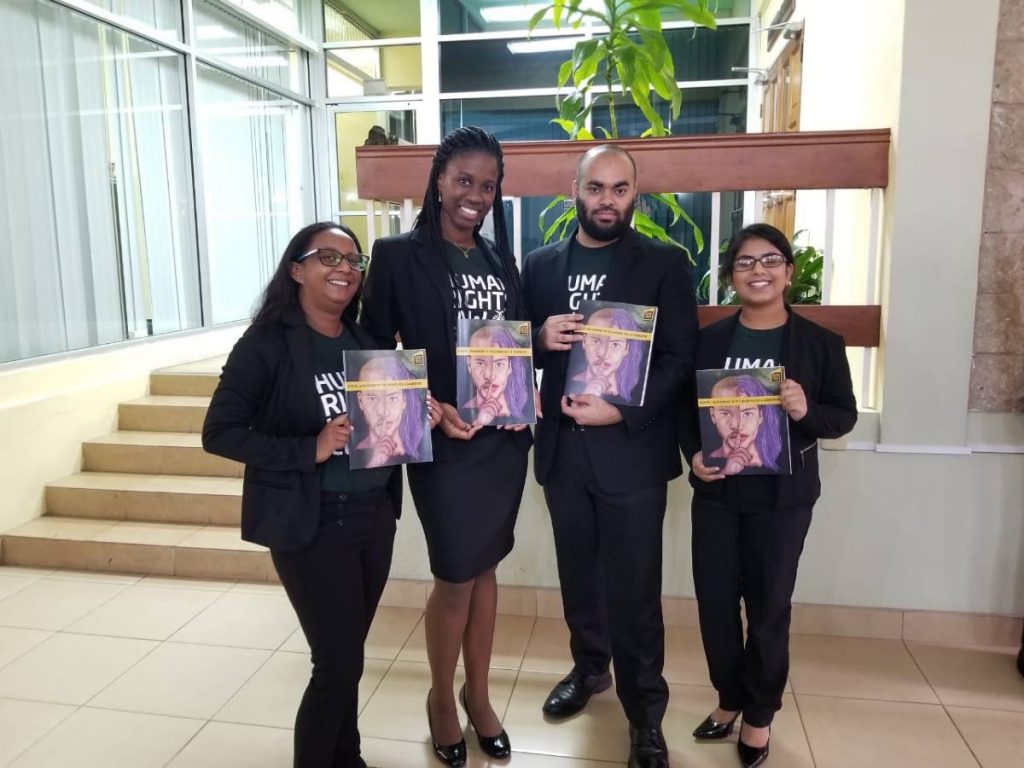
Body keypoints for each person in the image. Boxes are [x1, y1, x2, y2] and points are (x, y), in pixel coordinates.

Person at [202, 222, 442, 768]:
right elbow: (218, 432)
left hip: (373, 517)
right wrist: (307, 447)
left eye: (353, 262)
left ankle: (346, 756)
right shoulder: (268, 342)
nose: (343, 269)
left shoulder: (363, 343)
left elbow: (383, 425)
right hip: (311, 524)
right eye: (327, 257)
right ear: (297, 269)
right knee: (334, 663)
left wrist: (414, 415)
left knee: (349, 657)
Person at [521, 144, 698, 768]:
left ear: (635, 195)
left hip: (631, 452)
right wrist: (539, 339)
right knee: (578, 575)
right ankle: (590, 667)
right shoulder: (540, 266)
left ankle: (645, 713)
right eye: (596, 187)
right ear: (575, 189)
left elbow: (679, 359)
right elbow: (517, 357)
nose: (607, 200)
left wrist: (623, 410)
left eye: (619, 189)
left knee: (636, 589)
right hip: (564, 455)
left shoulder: (664, 264)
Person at [360, 126, 530, 767]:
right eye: (465, 181)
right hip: (442, 443)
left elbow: (510, 344)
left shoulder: (498, 261)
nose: (476, 197)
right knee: (455, 574)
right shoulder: (398, 255)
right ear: (437, 181)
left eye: (488, 186)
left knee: (486, 569)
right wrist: (429, 408)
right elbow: (376, 357)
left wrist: (523, 395)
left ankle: (478, 695)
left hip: (499, 445)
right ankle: (440, 697)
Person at [679, 223, 857, 768]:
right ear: (731, 276)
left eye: (770, 260)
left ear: (789, 272)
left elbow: (842, 416)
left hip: (783, 499)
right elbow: (687, 413)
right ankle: (730, 697)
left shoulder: (820, 344)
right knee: (713, 606)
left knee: (768, 607)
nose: (759, 271)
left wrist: (805, 412)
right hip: (718, 494)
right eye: (745, 263)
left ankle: (759, 715)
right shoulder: (708, 340)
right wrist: (693, 456)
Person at [351, 355, 429, 468]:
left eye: (392, 398)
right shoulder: (353, 454)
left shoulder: (420, 448)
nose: (382, 411)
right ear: (360, 401)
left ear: (404, 400)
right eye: (372, 398)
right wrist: (372, 463)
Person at [704, 374, 786, 475]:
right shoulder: (709, 460)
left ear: (761, 415)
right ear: (713, 415)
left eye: (747, 413)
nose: (737, 425)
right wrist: (726, 471)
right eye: (726, 413)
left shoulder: (779, 458)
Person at [567, 306, 646, 402]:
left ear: (626, 349)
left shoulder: (638, 393)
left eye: (615, 344)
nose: (603, 354)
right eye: (596, 341)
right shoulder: (565, 383)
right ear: (584, 341)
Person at [461, 322, 532, 425]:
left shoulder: (525, 409)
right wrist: (479, 421)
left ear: (510, 367)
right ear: (469, 365)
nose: (490, 376)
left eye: (498, 364)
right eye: (481, 363)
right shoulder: (461, 412)